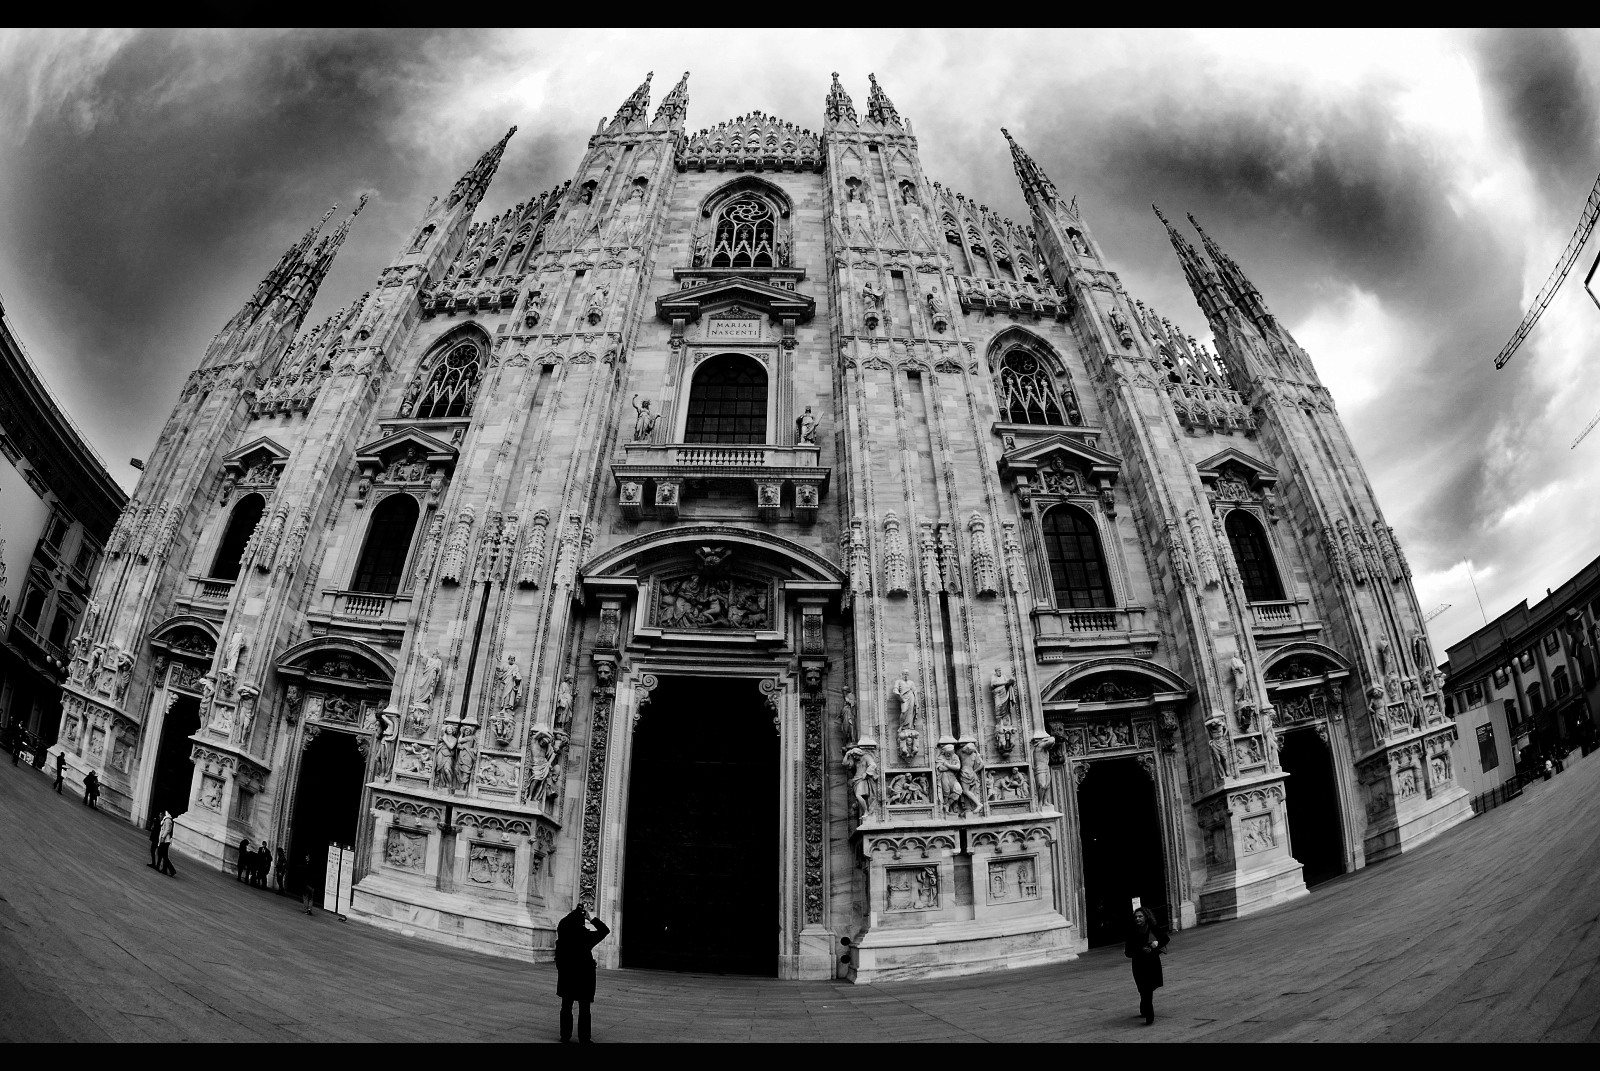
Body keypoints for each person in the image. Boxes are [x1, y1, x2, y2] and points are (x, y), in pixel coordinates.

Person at [555, 902, 611, 1043]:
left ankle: (565, 1035)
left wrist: (562, 970)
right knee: (584, 1008)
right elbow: (605, 930)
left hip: (567, 975)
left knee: (566, 1006)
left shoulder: (563, 937)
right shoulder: (585, 936)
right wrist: (590, 918)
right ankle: (584, 1037)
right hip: (584, 977)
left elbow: (558, 958)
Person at [1125, 904, 1169, 1025]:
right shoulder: (1132, 933)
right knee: (1143, 989)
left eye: (1140, 916)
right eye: (1136, 917)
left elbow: (1165, 939)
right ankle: (1149, 1013)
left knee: (1148, 988)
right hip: (1138, 965)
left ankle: (1146, 1008)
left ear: (1146, 917)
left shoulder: (1153, 928)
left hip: (1152, 963)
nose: (1137, 919)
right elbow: (1128, 952)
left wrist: (1155, 945)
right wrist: (1141, 950)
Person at [156, 811, 177, 876]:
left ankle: (172, 870)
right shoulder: (166, 819)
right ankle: (165, 869)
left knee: (164, 856)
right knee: (164, 855)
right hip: (164, 840)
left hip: (165, 840)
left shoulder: (167, 820)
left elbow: (167, 830)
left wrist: (163, 837)